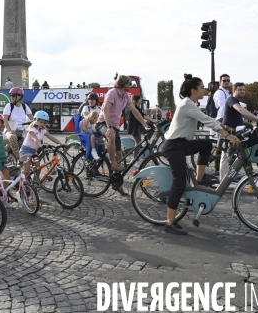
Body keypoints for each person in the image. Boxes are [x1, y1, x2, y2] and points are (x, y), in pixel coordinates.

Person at [160, 74, 240, 235]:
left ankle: (199, 177)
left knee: (206, 144)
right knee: (180, 183)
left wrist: (225, 126)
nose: (205, 90)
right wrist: (228, 135)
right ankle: (170, 222)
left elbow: (208, 119)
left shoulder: (191, 103)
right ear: (193, 90)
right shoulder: (187, 104)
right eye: (202, 87)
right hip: (174, 146)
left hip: (181, 143)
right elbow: (207, 120)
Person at [95, 75, 149, 195]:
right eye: (129, 84)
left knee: (120, 156)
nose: (130, 86)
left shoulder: (126, 96)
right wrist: (109, 128)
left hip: (114, 126)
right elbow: (106, 110)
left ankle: (117, 185)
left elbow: (134, 111)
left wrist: (145, 125)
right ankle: (113, 164)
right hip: (103, 123)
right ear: (124, 84)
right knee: (111, 136)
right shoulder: (112, 93)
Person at [20, 111, 65, 186]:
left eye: (44, 123)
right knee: (27, 171)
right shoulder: (32, 130)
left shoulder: (43, 130)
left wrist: (61, 143)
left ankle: (34, 184)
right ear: (36, 120)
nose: (42, 124)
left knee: (38, 168)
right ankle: (23, 185)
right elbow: (35, 139)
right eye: (41, 122)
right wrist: (41, 145)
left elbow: (51, 137)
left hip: (34, 151)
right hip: (26, 150)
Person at [128, 95, 158, 167]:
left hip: (138, 125)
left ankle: (145, 144)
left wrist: (151, 122)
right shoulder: (134, 107)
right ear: (138, 100)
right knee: (137, 142)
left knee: (151, 129)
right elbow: (143, 116)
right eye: (141, 99)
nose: (141, 100)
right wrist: (152, 120)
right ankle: (134, 161)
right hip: (134, 127)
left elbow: (143, 115)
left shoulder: (138, 107)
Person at [3, 87, 33, 160]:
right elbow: (5, 121)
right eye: (11, 96)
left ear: (19, 96)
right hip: (11, 130)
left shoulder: (24, 106)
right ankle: (18, 158)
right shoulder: (9, 106)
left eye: (13, 96)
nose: (11, 97)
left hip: (22, 131)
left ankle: (27, 159)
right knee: (13, 137)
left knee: (30, 142)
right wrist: (9, 130)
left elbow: (32, 118)